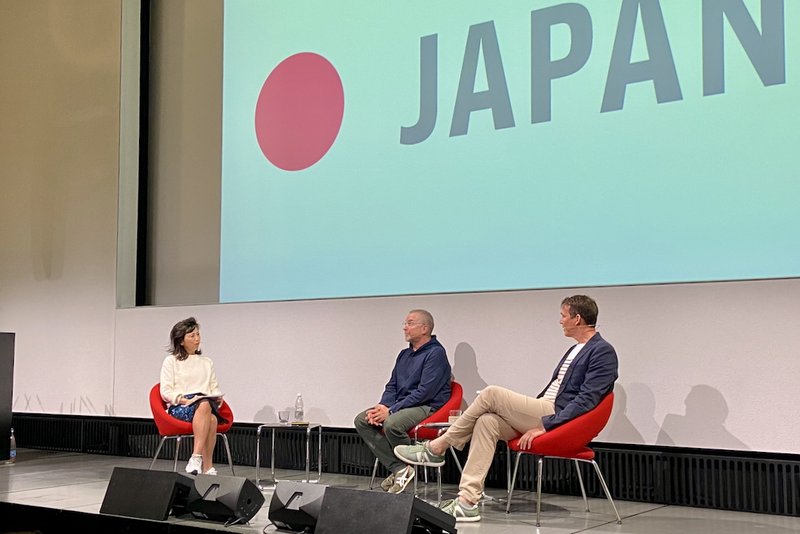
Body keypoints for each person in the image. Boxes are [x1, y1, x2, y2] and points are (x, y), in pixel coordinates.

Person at [394, 295, 618, 522]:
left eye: (563, 316)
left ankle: (437, 446)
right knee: (486, 421)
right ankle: (467, 502)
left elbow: (587, 400)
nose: (560, 321)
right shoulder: (576, 349)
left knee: (491, 393)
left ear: (577, 318)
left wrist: (545, 425)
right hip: (546, 409)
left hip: (554, 414)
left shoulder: (601, 351)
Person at [354, 309, 452, 494]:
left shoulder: (436, 353)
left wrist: (391, 411)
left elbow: (425, 392)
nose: (405, 328)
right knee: (362, 420)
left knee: (392, 424)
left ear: (424, 328)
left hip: (428, 406)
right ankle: (400, 469)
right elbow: (392, 385)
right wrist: (383, 406)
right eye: (405, 323)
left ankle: (403, 469)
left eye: (410, 323)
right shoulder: (403, 355)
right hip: (404, 405)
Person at [159, 317, 226, 476]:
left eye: (198, 335)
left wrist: (217, 396)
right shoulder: (171, 361)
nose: (197, 339)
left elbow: (213, 387)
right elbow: (165, 392)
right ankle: (198, 459)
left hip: (203, 404)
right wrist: (184, 400)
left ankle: (206, 468)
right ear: (181, 341)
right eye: (192, 336)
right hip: (181, 406)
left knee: (211, 416)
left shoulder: (206, 362)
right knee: (207, 410)